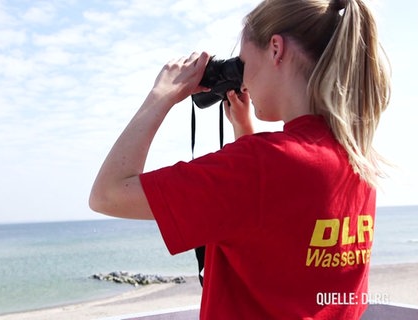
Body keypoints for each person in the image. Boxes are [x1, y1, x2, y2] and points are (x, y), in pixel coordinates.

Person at [89, 0, 391, 318]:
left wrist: (161, 96)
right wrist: (245, 134)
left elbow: (108, 195)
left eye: (244, 63)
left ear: (276, 49)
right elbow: (283, 248)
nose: (243, 81)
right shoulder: (358, 158)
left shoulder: (259, 166)